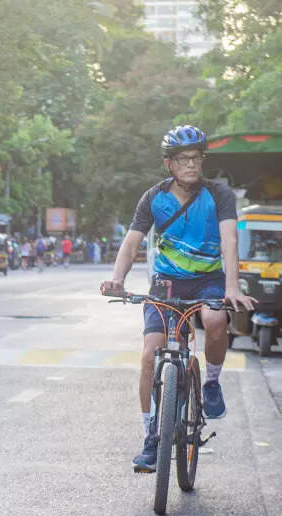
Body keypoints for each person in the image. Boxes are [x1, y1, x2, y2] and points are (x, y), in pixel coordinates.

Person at [100, 125, 256, 473]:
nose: (191, 165)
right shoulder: (153, 197)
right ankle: (151, 437)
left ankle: (212, 382)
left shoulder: (219, 195)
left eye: (197, 158)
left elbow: (230, 240)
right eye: (183, 159)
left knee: (216, 320)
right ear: (169, 164)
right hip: (166, 283)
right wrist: (116, 280)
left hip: (208, 280)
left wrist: (232, 287)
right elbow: (132, 241)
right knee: (149, 354)